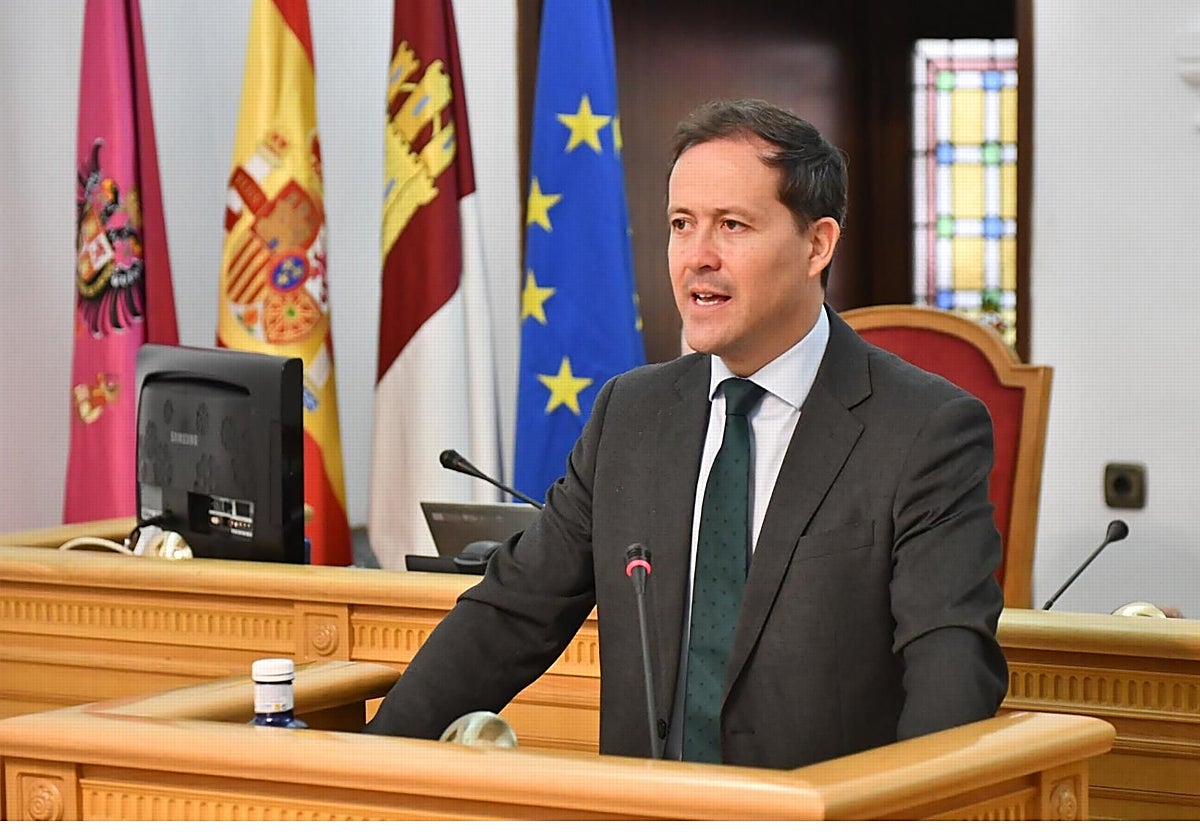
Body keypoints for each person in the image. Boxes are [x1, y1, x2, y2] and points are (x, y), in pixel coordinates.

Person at [364, 98, 1009, 770]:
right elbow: (511, 615)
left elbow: (951, 682)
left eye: (731, 225)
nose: (697, 257)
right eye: (681, 225)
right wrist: (361, 769)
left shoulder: (925, 431)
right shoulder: (631, 415)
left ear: (817, 244)